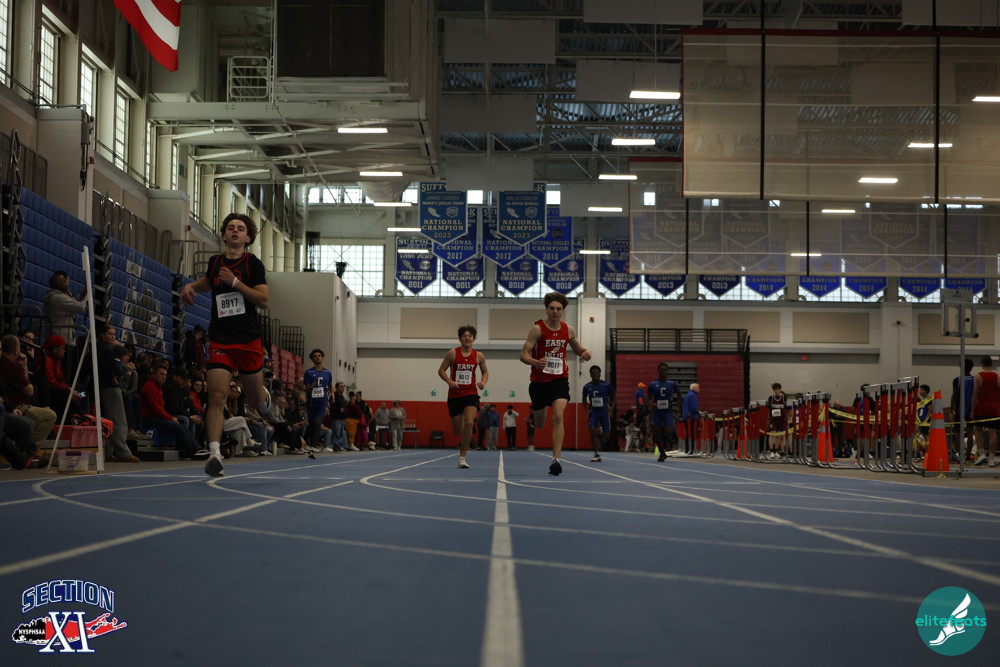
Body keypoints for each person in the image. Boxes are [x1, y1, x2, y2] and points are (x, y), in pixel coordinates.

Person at [181, 212, 271, 477]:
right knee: (217, 396)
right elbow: (208, 282)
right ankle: (214, 453)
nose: (235, 231)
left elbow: (263, 300)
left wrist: (236, 283)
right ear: (223, 234)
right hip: (220, 339)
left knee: (254, 400)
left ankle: (263, 396)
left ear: (248, 238)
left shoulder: (252, 264)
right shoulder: (216, 262)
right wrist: (191, 286)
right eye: (230, 227)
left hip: (247, 340)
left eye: (240, 228)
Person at [519, 292, 591, 476]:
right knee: (540, 423)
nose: (555, 312)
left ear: (563, 310)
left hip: (559, 380)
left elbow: (577, 349)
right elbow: (523, 354)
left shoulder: (569, 330)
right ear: (546, 309)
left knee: (558, 416)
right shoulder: (537, 329)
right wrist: (535, 362)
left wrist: (584, 352)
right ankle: (536, 415)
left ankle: (556, 460)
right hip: (539, 382)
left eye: (559, 309)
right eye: (552, 308)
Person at [438, 324, 489, 469]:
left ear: (474, 339)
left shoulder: (478, 355)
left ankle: (462, 457)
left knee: (469, 423)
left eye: (470, 336)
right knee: (457, 430)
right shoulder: (452, 353)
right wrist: (449, 381)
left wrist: (483, 382)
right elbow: (441, 370)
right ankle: (464, 439)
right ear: (460, 339)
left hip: (471, 393)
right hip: (455, 394)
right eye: (464, 336)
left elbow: (485, 372)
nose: (467, 338)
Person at [0, 334, 57, 450]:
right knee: (50, 416)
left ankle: (25, 449)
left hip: (15, 405)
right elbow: (29, 391)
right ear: (17, 350)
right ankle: (29, 450)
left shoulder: (10, 364)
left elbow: (26, 386)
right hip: (18, 406)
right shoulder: (10, 365)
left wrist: (24, 366)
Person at [139, 365, 202, 460]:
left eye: (165, 375)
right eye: (161, 374)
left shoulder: (159, 387)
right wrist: (170, 418)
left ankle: (197, 449)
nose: (164, 377)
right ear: (153, 374)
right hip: (148, 419)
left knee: (180, 424)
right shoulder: (150, 387)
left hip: (156, 417)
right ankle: (192, 451)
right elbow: (156, 409)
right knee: (177, 425)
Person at [43, 270, 87, 377]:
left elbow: (73, 304)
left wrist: (82, 294)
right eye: (66, 281)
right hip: (62, 340)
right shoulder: (58, 297)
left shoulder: (58, 297)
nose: (68, 281)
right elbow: (80, 307)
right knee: (64, 372)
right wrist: (87, 296)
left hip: (64, 339)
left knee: (66, 370)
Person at [42, 335, 86, 416]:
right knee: (66, 395)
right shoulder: (47, 360)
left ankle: (78, 417)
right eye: (63, 348)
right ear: (55, 349)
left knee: (83, 394)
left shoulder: (57, 361)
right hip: (50, 392)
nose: (64, 351)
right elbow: (51, 382)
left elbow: (61, 380)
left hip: (59, 390)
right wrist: (69, 390)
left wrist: (70, 389)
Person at [582, 364, 615, 463]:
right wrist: (586, 410)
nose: (595, 374)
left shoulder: (606, 385)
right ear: (590, 374)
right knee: (592, 431)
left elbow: (615, 395)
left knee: (606, 436)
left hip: (604, 412)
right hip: (594, 412)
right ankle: (596, 453)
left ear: (600, 374)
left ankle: (601, 431)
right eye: (593, 373)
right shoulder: (587, 386)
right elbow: (584, 398)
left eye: (597, 373)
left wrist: (611, 409)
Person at [971, 356, 1000, 467]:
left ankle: (982, 454)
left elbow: (975, 396)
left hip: (982, 407)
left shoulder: (978, 376)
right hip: (994, 408)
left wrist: (972, 410)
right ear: (991, 364)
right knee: (992, 433)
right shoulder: (997, 376)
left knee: (977, 430)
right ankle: (991, 459)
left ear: (982, 364)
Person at [648, 362, 679, 462]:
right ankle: (662, 453)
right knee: (656, 433)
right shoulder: (653, 384)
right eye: (661, 370)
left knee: (669, 431)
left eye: (665, 370)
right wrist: (651, 404)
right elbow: (648, 398)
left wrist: (677, 406)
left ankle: (665, 442)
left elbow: (679, 393)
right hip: (657, 412)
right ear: (658, 371)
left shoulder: (671, 383)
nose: (663, 371)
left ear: (667, 371)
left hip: (667, 411)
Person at [303, 349, 333, 450]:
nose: (317, 357)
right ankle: (305, 442)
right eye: (315, 356)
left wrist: (331, 394)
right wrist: (310, 387)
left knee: (317, 422)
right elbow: (306, 388)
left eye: (319, 355)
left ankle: (313, 445)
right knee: (312, 424)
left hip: (322, 402)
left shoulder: (327, 373)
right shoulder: (309, 373)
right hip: (312, 402)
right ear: (312, 359)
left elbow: (330, 386)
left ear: (322, 357)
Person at [950, 358, 976, 463]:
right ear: (971, 368)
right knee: (970, 432)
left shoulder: (957, 380)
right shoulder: (975, 379)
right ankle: (968, 456)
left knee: (957, 432)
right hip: (971, 410)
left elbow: (954, 396)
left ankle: (961, 455)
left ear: (961, 367)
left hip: (959, 409)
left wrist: (951, 410)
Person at [765, 382, 789, 460]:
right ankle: (771, 451)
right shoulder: (771, 398)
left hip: (781, 419)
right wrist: (769, 420)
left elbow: (786, 409)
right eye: (775, 390)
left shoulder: (784, 398)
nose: (776, 391)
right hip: (773, 420)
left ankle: (776, 451)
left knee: (778, 435)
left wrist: (785, 419)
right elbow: (768, 409)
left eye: (777, 389)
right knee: (772, 434)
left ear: (780, 390)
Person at [328, 382, 349, 451]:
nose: (343, 388)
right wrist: (338, 409)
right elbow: (331, 407)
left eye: (343, 386)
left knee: (340, 433)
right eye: (341, 386)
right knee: (336, 432)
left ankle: (339, 445)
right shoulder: (333, 396)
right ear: (337, 388)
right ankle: (336, 446)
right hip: (336, 418)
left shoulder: (342, 397)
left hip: (342, 418)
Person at [681, 383, 701, 454]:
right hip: (690, 417)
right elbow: (694, 407)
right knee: (692, 433)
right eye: (698, 388)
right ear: (694, 388)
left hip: (685, 416)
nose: (699, 390)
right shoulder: (693, 395)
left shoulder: (687, 395)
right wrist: (698, 414)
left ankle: (687, 449)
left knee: (688, 433)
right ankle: (692, 449)